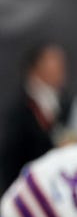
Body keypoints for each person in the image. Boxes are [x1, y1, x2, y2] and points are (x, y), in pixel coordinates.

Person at [1, 42, 67, 191]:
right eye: (53, 61)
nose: (61, 67)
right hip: (26, 190)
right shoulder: (20, 110)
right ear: (35, 68)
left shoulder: (63, 104)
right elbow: (10, 159)